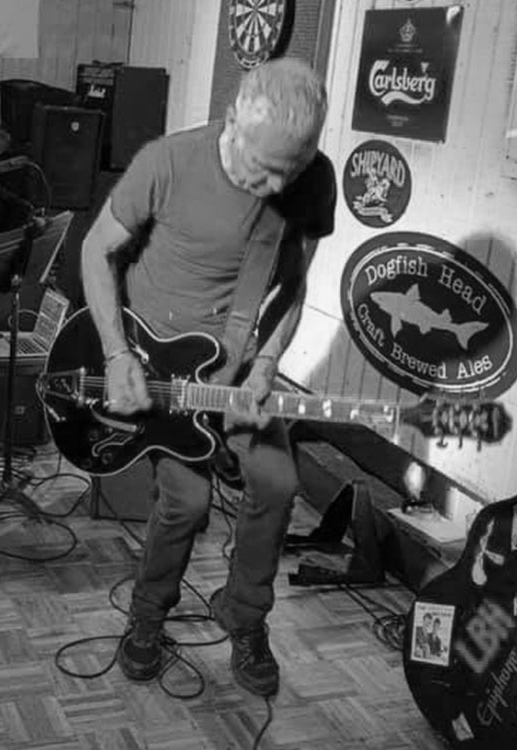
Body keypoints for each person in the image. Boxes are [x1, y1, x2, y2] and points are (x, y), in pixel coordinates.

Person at [80, 57, 336, 697]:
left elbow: (294, 284)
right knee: (186, 502)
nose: (274, 184)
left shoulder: (311, 181)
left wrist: (266, 364)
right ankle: (147, 615)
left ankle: (244, 616)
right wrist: (116, 354)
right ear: (231, 122)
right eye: (264, 166)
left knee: (278, 483)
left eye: (290, 170)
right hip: (159, 363)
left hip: (239, 365)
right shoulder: (166, 163)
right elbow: (95, 249)